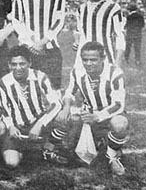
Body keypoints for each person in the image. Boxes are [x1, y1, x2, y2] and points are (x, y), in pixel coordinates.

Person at [53, 41, 129, 176]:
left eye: (93, 60)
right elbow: (69, 92)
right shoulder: (77, 72)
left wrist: (98, 116)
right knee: (72, 148)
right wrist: (66, 108)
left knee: (120, 124)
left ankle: (111, 156)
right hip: (88, 116)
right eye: (85, 60)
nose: (88, 63)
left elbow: (118, 104)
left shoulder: (115, 73)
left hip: (110, 114)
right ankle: (52, 148)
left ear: (103, 58)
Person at [0, 46, 66, 168]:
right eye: (14, 64)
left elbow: (56, 104)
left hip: (39, 121)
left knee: (64, 117)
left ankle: (48, 149)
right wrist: (11, 126)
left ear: (30, 63)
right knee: (11, 163)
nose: (18, 68)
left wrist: (39, 124)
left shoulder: (40, 77)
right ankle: (24, 148)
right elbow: (2, 109)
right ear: (9, 65)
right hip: (18, 127)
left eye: (22, 64)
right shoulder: (3, 83)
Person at [11, 0, 66, 90]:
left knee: (54, 87)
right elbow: (17, 22)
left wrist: (42, 42)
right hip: (28, 50)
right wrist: (31, 44)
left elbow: (59, 20)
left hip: (50, 49)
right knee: (31, 87)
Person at [73, 0, 125, 67]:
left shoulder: (113, 8)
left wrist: (117, 63)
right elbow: (78, 31)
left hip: (105, 60)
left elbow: (120, 37)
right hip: (82, 62)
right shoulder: (81, 9)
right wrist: (76, 41)